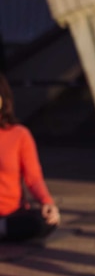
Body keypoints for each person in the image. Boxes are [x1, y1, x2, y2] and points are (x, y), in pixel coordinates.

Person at [0, 72, 61, 242]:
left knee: (46, 221)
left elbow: (34, 178)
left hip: (12, 216)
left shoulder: (20, 135)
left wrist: (46, 202)